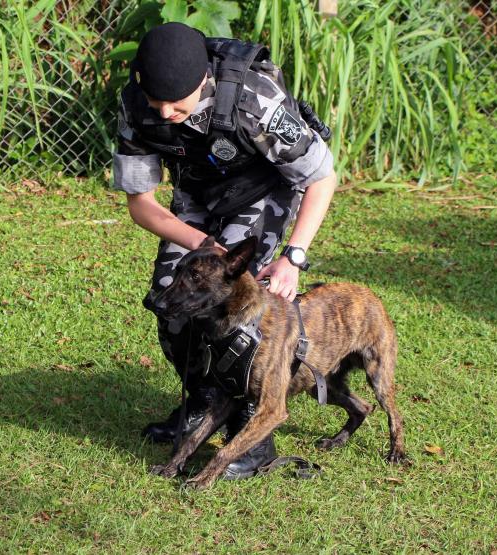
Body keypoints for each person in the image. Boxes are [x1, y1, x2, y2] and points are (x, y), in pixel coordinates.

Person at [112, 22, 337, 479]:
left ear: (204, 82)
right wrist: (199, 243)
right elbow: (141, 203)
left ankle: (252, 435)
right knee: (171, 300)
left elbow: (321, 176)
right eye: (158, 101)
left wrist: (294, 255)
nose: (167, 111)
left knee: (239, 309)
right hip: (197, 198)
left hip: (260, 193)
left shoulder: (253, 99)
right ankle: (202, 403)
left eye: (179, 101)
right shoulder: (137, 105)